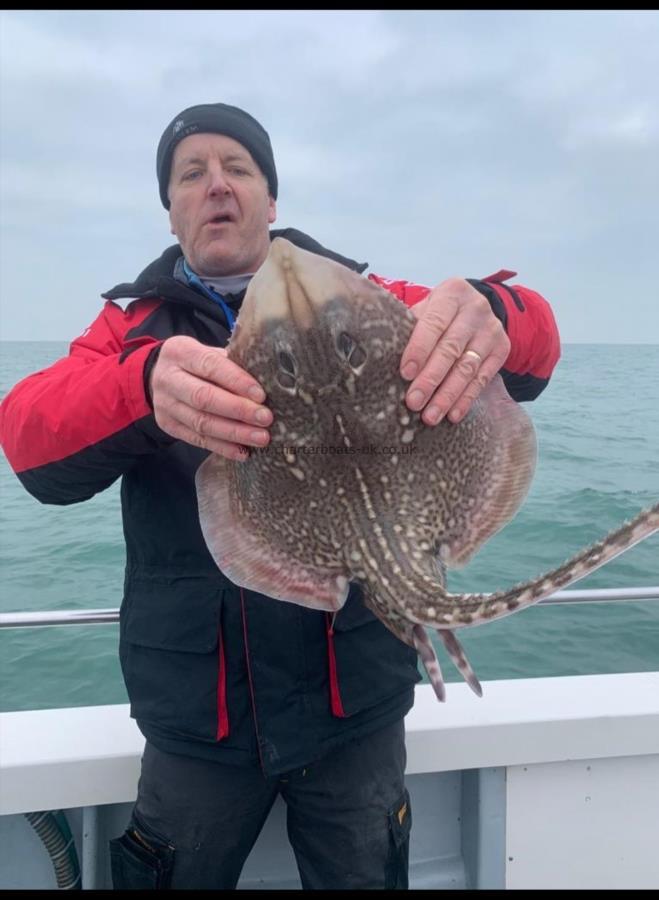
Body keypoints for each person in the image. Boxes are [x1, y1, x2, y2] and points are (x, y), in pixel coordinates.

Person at [0, 102, 560, 889]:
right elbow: (27, 437)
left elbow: (533, 348)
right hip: (201, 721)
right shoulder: (129, 332)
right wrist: (141, 384)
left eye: (238, 167)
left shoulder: (368, 297)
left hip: (353, 710)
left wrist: (494, 311)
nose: (215, 185)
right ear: (170, 208)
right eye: (190, 174)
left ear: (272, 198)